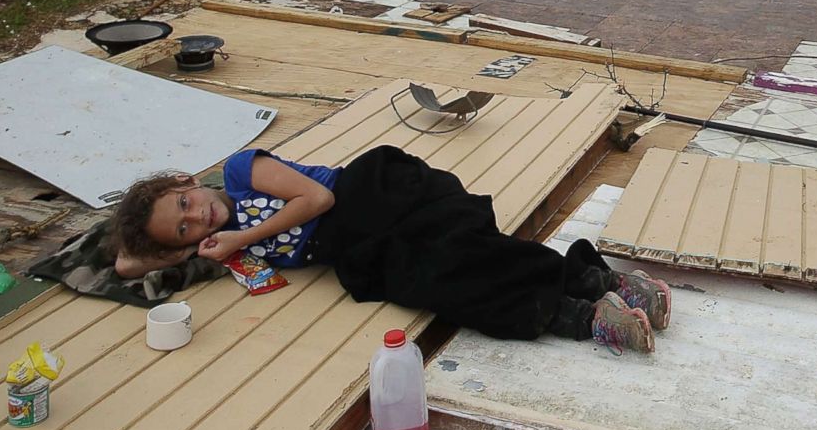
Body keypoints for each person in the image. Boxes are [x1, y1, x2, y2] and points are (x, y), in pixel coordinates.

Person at [110, 144, 671, 356]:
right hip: (361, 253)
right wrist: (179, 248)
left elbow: (317, 196)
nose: (195, 218)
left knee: (461, 249)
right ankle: (588, 315)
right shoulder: (213, 246)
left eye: (184, 203)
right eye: (182, 229)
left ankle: (603, 286)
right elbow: (128, 262)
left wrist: (243, 237)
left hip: (371, 196)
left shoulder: (238, 174)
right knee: (442, 284)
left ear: (188, 181)